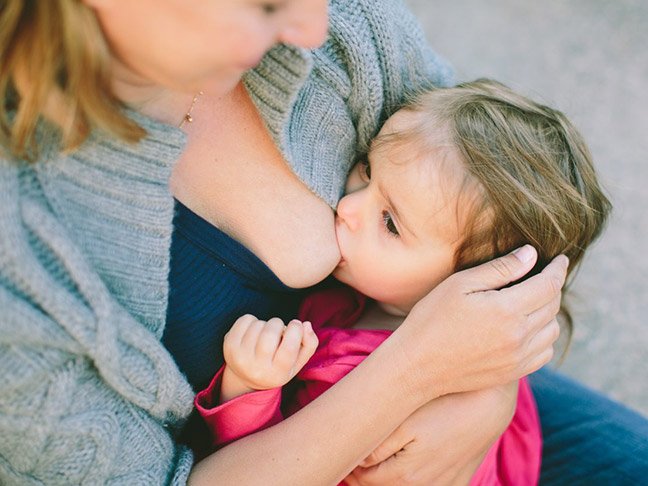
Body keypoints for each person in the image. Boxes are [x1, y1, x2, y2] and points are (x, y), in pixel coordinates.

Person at [0, 0, 645, 485]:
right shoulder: (22, 247)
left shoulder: (337, 28)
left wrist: (488, 391)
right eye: (265, 4)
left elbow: (507, 202)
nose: (313, 29)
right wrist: (422, 365)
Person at [193, 78, 611, 485]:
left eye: (390, 223)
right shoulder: (457, 334)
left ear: (476, 288)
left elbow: (280, 467)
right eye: (367, 169)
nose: (348, 206)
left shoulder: (357, 387)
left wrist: (247, 388)